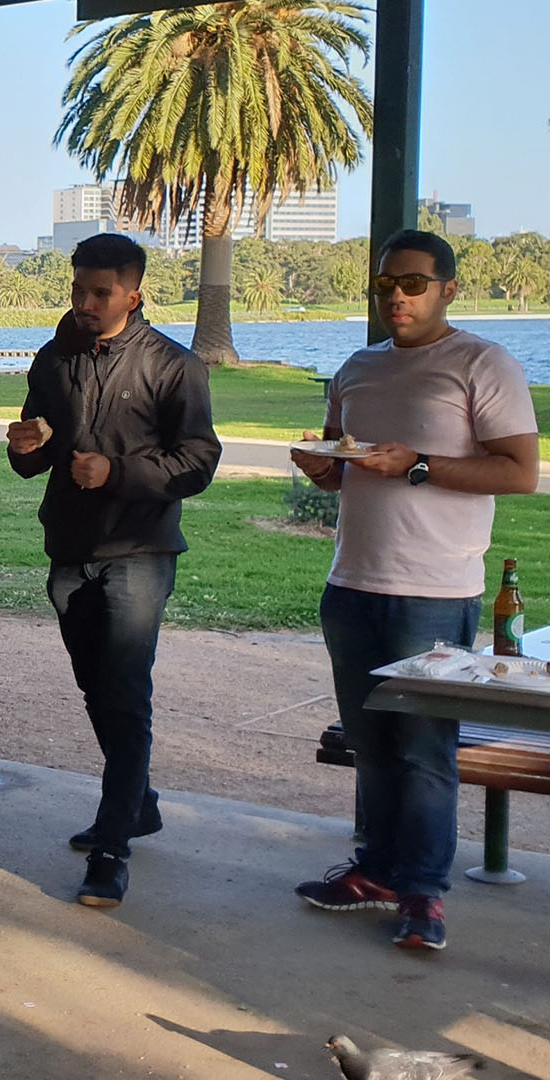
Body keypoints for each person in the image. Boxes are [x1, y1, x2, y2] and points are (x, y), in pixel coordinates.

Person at [291, 230, 539, 952]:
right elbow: (343, 464)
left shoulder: (482, 364)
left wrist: (418, 465)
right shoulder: (357, 367)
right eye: (384, 284)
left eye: (412, 283)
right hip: (351, 582)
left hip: (435, 589)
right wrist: (323, 467)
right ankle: (376, 869)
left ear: (447, 289)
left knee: (424, 750)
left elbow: (519, 472)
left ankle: (424, 893)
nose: (396, 296)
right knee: (370, 743)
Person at [4, 234, 220, 908]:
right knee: (97, 689)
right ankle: (138, 803)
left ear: (134, 294)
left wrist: (117, 472)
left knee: (124, 693)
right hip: (70, 551)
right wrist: (25, 444)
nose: (87, 303)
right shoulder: (55, 358)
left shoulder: (174, 366)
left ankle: (112, 848)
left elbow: (199, 462)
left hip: (140, 552)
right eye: (79, 290)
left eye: (101, 292)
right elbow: (34, 453)